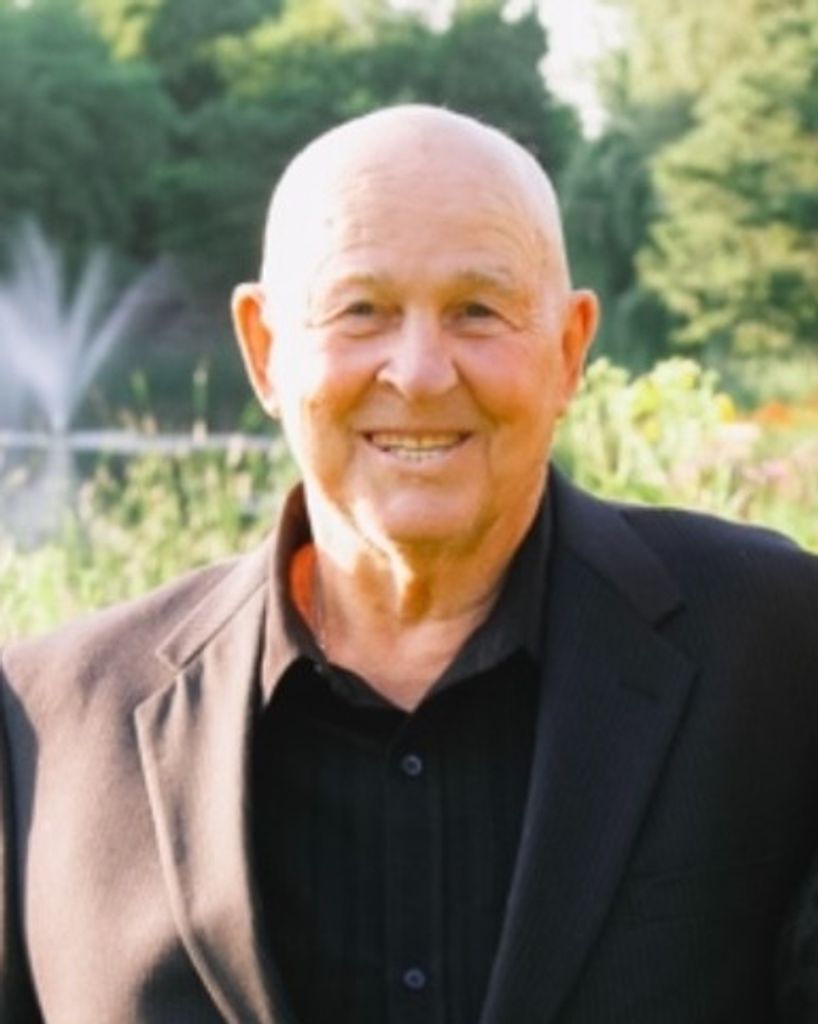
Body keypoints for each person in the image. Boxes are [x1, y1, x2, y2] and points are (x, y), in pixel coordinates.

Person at [1, 105, 818, 1024]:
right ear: (265, 352)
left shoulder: (781, 651)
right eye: (361, 310)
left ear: (568, 350)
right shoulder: (46, 725)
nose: (421, 373)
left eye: (478, 311)